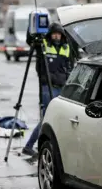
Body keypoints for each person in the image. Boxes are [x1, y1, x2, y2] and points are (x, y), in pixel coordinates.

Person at [22, 22, 77, 156]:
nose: (57, 36)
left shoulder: (67, 47)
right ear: (50, 35)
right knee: (47, 117)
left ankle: (52, 146)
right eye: (54, 34)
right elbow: (30, 40)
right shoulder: (43, 45)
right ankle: (29, 145)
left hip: (62, 87)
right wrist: (32, 25)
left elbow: (71, 65)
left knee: (60, 118)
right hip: (47, 86)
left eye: (59, 34)